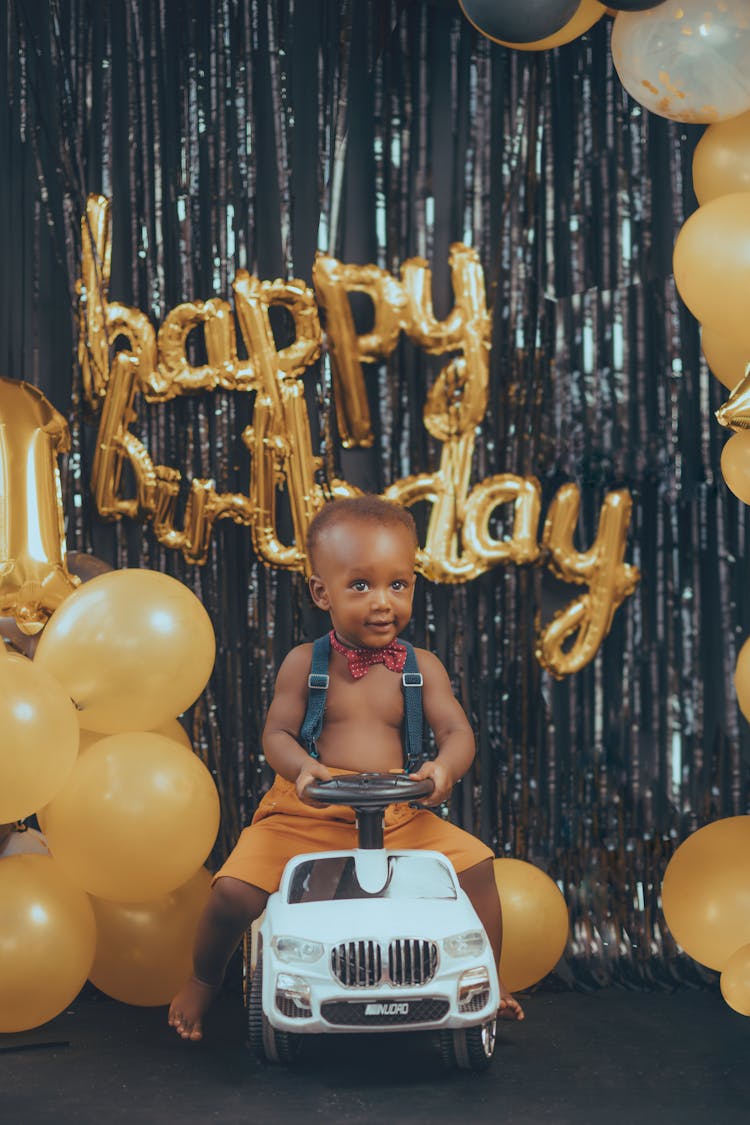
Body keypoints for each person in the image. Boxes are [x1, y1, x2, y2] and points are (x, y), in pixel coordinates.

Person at [169, 495, 524, 1040]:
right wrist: (304, 768)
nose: (382, 602)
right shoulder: (304, 664)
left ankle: (489, 982)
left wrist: (444, 768)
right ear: (322, 592)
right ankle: (203, 977)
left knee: (476, 868)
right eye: (360, 585)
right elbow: (277, 734)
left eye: (397, 585)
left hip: (399, 815)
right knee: (232, 894)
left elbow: (457, 732)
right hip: (305, 812)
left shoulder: (421, 668)